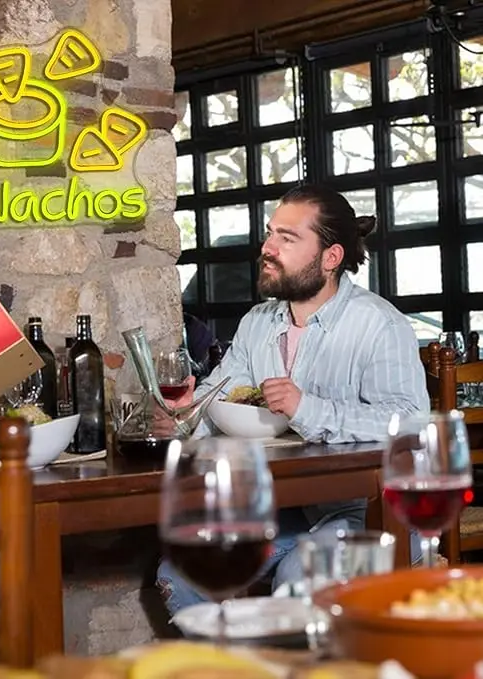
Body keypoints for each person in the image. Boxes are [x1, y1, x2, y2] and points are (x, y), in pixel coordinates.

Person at [157, 183, 430, 616]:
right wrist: (187, 413)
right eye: (271, 234)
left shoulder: (379, 324)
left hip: (375, 514)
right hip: (292, 509)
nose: (267, 248)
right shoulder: (258, 322)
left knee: (296, 582)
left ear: (331, 257)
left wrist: (307, 408)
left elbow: (410, 423)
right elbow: (221, 396)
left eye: (287, 238)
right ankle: (244, 656)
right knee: (181, 573)